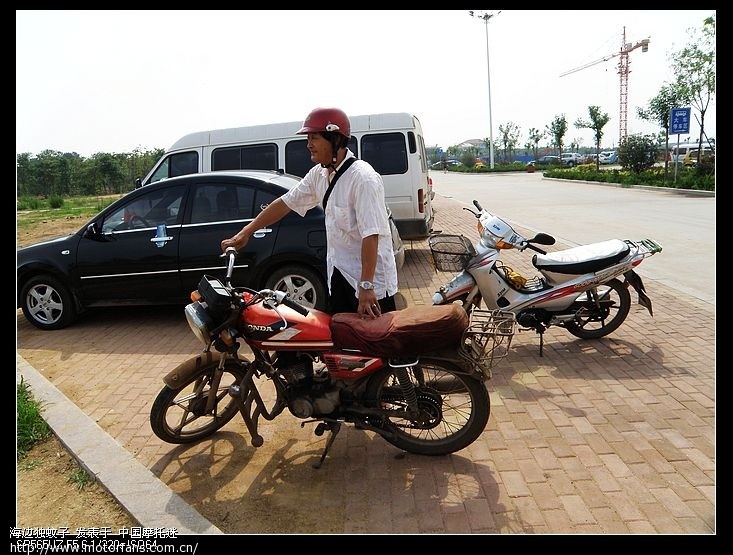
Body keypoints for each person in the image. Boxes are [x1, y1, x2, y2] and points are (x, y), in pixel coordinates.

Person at [220, 107, 398, 318]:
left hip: (370, 284)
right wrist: (245, 233)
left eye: (314, 137)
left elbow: (371, 234)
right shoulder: (319, 175)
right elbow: (285, 203)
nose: (308, 145)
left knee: (377, 345)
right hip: (340, 275)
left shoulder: (363, 178)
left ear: (335, 139)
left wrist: (367, 286)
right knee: (344, 342)